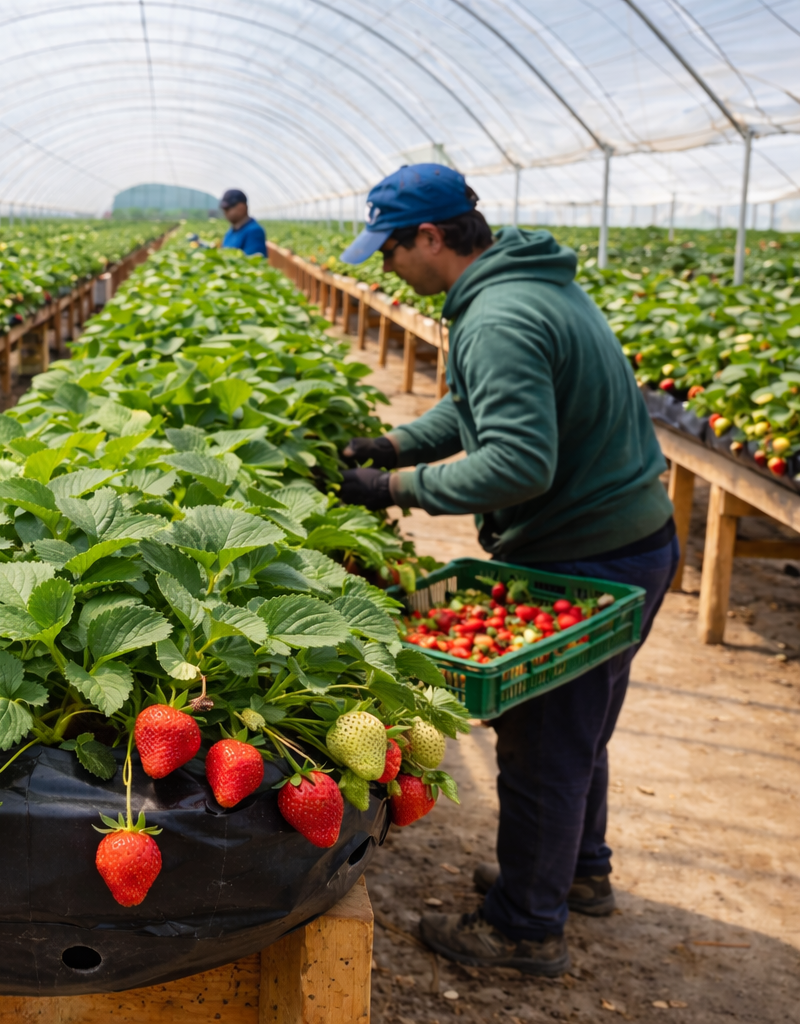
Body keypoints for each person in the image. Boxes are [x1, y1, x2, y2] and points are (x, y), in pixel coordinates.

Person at [336, 164, 678, 977]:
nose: (386, 269)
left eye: (389, 250)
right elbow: (482, 406)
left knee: (542, 747)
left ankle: (526, 927)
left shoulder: (497, 317)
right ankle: (575, 874)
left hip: (586, 554)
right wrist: (397, 444)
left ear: (429, 237)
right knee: (580, 731)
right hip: (633, 540)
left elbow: (518, 461)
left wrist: (395, 488)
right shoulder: (529, 287)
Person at [218, 189, 266, 256]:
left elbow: (254, 263)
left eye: (227, 209)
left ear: (241, 207)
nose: (225, 212)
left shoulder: (254, 231)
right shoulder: (232, 230)